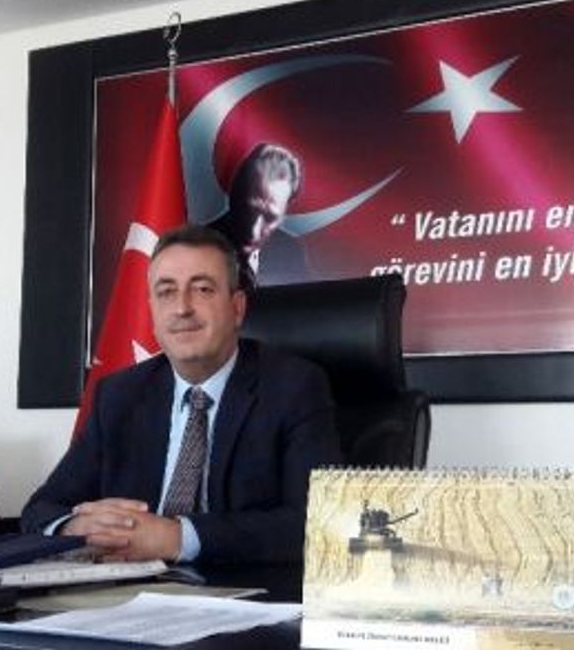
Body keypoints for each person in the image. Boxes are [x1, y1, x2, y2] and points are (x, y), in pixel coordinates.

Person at [20, 224, 340, 564]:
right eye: (166, 292)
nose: (182, 308)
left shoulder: (293, 388)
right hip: (126, 587)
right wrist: (75, 527)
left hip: (235, 588)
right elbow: (40, 509)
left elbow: (316, 524)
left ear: (236, 308)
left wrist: (178, 537)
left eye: (202, 289)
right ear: (152, 310)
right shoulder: (119, 395)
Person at [208, 142, 310, 290]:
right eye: (248, 210)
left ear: (284, 213)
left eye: (270, 217)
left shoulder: (292, 252)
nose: (254, 232)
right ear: (233, 198)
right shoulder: (196, 248)